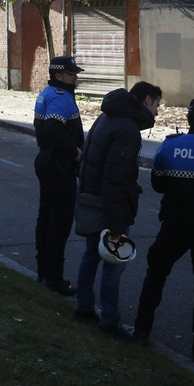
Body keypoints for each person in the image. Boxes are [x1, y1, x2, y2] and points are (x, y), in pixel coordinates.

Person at [132, 97, 194, 367]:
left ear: (188, 120)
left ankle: (141, 330)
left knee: (155, 274)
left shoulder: (170, 145)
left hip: (175, 226)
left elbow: (158, 185)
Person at [73, 81, 162, 338]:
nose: (157, 112)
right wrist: (117, 223)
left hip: (91, 198)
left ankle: (84, 306)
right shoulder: (128, 129)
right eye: (157, 105)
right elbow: (116, 179)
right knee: (114, 262)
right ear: (147, 100)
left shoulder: (107, 117)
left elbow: (89, 160)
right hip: (109, 206)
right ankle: (110, 320)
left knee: (91, 255)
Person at [32, 54, 86, 296]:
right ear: (59, 75)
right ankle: (54, 278)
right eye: (72, 73)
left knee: (46, 218)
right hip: (58, 165)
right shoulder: (61, 97)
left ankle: (44, 271)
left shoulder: (47, 93)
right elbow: (54, 128)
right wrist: (74, 152)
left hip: (47, 161)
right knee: (59, 223)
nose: (75, 77)